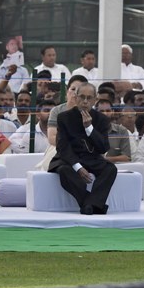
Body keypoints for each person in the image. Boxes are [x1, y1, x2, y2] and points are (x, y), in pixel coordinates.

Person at [48, 82, 117, 215]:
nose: (85, 101)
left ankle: (89, 205)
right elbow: (62, 146)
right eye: (82, 97)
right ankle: (93, 205)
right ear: (75, 97)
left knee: (110, 169)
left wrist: (89, 128)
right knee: (64, 171)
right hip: (69, 160)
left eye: (89, 98)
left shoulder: (101, 119)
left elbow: (103, 147)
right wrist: (78, 167)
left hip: (92, 158)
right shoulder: (64, 117)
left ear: (95, 100)